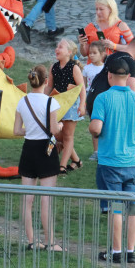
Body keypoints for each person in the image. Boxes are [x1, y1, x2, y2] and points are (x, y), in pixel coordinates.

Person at [90, 55, 135, 263]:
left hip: (110, 162)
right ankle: (130, 251)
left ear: (109, 76)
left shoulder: (103, 98)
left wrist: (94, 128)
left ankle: (115, 251)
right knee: (132, 208)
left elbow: (96, 128)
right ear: (127, 77)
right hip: (132, 162)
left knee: (116, 207)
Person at [13, 65, 63, 250]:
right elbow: (53, 129)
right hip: (45, 150)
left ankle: (32, 241)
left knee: (27, 199)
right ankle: (50, 242)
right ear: (46, 82)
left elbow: (17, 130)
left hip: (28, 149)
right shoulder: (51, 103)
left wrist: (31, 129)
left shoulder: (22, 101)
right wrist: (60, 126)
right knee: (46, 198)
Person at [47, 38, 86, 174]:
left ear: (69, 52)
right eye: (57, 46)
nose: (57, 49)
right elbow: (49, 86)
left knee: (68, 136)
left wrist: (82, 104)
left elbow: (82, 88)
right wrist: (41, 100)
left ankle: (62, 166)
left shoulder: (74, 68)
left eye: (61, 47)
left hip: (70, 105)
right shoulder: (53, 67)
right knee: (58, 135)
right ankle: (76, 160)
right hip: (56, 104)